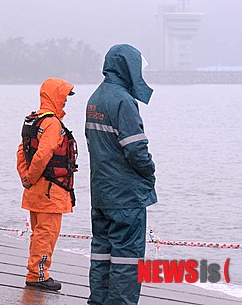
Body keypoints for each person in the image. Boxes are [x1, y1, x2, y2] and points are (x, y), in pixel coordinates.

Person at [85, 44, 157, 305]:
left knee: (102, 255)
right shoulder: (123, 101)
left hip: (101, 193)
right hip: (126, 197)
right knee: (127, 260)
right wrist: (150, 173)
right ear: (128, 68)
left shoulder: (95, 98)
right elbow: (136, 150)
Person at [16, 77, 78, 291]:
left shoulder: (34, 120)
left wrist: (26, 178)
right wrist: (31, 178)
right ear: (54, 96)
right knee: (46, 235)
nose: (66, 101)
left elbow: (21, 152)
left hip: (35, 191)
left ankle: (35, 272)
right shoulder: (51, 123)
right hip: (50, 191)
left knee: (38, 233)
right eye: (64, 96)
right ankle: (38, 276)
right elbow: (43, 155)